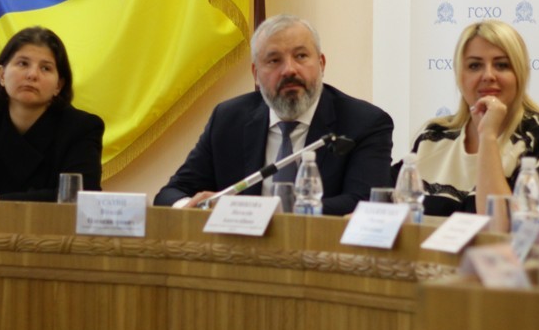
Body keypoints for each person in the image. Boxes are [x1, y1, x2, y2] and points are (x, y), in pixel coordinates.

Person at [154, 14, 394, 215]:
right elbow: (171, 193)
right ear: (256, 74)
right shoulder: (228, 119)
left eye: (301, 56)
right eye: (274, 60)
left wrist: (257, 211)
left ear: (321, 64)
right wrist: (191, 207)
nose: (289, 70)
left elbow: (364, 203)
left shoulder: (364, 122)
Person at [402, 19, 539, 217]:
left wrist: (488, 136)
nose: (488, 75)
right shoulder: (433, 136)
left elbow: (504, 227)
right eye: (474, 65)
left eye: (501, 65)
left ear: (519, 74)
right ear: (459, 76)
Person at [0, 26, 104, 202]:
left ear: (58, 85)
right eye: (23, 64)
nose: (32, 75)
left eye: (45, 68)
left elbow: (80, 196)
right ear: (1, 75)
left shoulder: (81, 127)